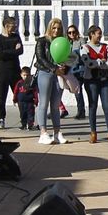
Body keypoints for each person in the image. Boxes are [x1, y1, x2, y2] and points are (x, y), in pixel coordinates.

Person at [33, 18, 69, 146]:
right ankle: (43, 132)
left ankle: (57, 132)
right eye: (54, 28)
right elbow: (40, 58)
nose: (56, 30)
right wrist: (53, 69)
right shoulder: (42, 41)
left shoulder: (64, 41)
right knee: (44, 102)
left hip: (59, 75)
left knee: (55, 104)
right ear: (49, 28)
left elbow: (68, 57)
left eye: (58, 28)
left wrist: (65, 67)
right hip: (45, 73)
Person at [0, 16, 23, 129]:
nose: (15, 27)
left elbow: (21, 50)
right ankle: (1, 119)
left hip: (15, 70)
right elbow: (0, 54)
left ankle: (24, 119)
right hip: (3, 71)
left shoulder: (16, 36)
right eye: (13, 26)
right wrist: (14, 51)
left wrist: (11, 52)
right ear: (6, 26)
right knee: (1, 96)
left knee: (20, 95)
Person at [64, 24, 86, 118]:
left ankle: (81, 111)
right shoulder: (67, 43)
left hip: (79, 69)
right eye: (69, 33)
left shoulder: (81, 41)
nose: (72, 34)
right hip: (71, 70)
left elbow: (83, 54)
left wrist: (73, 56)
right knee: (75, 91)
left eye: (73, 32)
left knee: (78, 90)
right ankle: (81, 110)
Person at [13, 67, 38, 131]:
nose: (26, 77)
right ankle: (23, 125)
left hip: (30, 102)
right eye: (24, 75)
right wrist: (14, 100)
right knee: (22, 114)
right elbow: (16, 91)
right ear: (21, 75)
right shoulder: (19, 83)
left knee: (30, 114)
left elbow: (35, 92)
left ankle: (30, 125)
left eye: (27, 75)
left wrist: (36, 101)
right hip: (21, 102)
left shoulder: (31, 83)